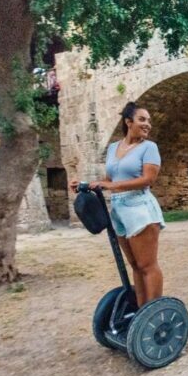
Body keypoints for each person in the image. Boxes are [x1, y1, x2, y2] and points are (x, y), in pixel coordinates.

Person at [71, 102, 165, 307]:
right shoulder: (114, 147)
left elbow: (148, 180)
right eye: (142, 119)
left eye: (149, 120)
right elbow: (109, 179)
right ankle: (142, 312)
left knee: (147, 265)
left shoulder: (149, 148)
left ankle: (155, 314)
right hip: (118, 210)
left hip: (140, 208)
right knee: (135, 266)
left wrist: (110, 184)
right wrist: (86, 185)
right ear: (128, 122)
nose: (147, 124)